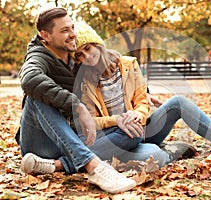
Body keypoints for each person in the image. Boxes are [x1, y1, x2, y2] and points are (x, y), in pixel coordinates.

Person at [73, 22, 211, 170]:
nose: (86, 57)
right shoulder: (85, 83)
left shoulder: (129, 64)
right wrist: (116, 120)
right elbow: (92, 121)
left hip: (143, 128)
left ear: (97, 44)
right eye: (79, 55)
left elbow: (142, 100)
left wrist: (137, 115)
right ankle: (171, 151)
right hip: (118, 139)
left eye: (88, 49)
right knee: (155, 156)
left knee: (179, 102)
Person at [17, 7, 137, 194]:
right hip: (40, 143)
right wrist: (77, 106)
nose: (73, 34)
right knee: (36, 97)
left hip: (69, 138)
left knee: (132, 131)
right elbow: (30, 79)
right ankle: (93, 166)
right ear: (45, 36)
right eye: (65, 31)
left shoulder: (75, 57)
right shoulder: (38, 56)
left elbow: (106, 66)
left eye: (72, 28)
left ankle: (56, 165)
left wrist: (143, 91)